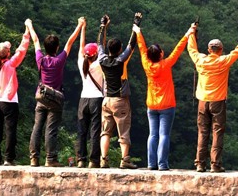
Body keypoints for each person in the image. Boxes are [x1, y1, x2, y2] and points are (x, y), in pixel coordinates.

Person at [186, 21, 238, 173]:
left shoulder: (200, 60)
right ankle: (215, 164)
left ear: (209, 50)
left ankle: (200, 164)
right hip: (218, 101)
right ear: (221, 50)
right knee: (217, 132)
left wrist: (192, 31)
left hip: (202, 101)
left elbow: (191, 48)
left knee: (202, 132)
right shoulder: (224, 61)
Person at [24, 17, 83, 167]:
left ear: (45, 47)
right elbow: (70, 42)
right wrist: (80, 25)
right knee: (51, 130)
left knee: (37, 127)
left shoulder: (41, 59)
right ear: (57, 48)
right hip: (55, 99)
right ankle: (50, 159)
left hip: (41, 97)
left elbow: (35, 40)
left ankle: (34, 158)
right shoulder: (59, 61)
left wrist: (29, 25)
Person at [134, 20, 191, 171]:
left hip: (152, 105)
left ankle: (151, 164)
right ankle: (162, 164)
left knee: (153, 135)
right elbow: (178, 50)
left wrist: (138, 31)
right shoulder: (165, 65)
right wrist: (188, 34)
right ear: (161, 54)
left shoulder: (147, 65)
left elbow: (141, 48)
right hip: (167, 104)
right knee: (164, 135)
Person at [97, 13, 139, 169]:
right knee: (124, 131)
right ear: (119, 49)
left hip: (106, 100)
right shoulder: (121, 60)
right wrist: (136, 25)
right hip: (120, 100)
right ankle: (125, 160)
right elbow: (131, 45)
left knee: (105, 131)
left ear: (108, 49)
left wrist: (103, 26)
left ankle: (103, 159)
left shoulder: (102, 59)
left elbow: (99, 43)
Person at [0, 21, 31, 165]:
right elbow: (22, 49)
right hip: (10, 100)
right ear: (8, 53)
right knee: (10, 130)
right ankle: (8, 158)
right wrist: (27, 31)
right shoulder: (11, 63)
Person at [76, 18, 104, 168]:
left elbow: (81, 46)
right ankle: (94, 161)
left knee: (82, 131)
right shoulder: (98, 64)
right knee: (95, 131)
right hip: (96, 100)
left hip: (83, 100)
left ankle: (81, 159)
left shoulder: (82, 63)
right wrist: (103, 28)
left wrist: (83, 27)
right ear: (95, 55)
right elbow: (102, 47)